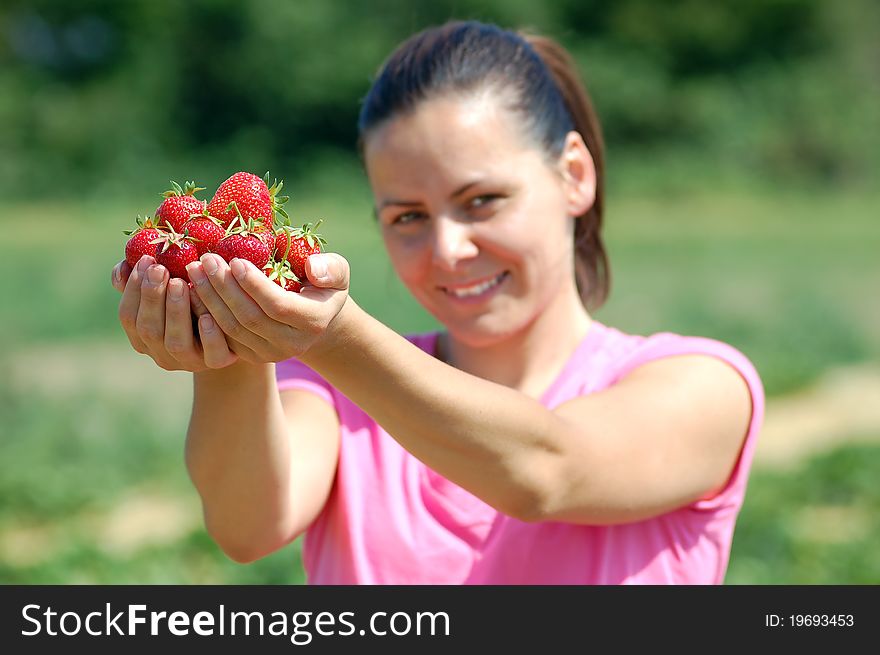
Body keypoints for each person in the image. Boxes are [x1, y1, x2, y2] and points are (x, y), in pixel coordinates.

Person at [111, 20, 763, 584]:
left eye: (482, 201)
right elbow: (246, 524)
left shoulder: (705, 385)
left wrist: (332, 334)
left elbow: (544, 471)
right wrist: (226, 339)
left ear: (575, 175)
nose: (448, 249)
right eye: (407, 216)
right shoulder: (332, 399)